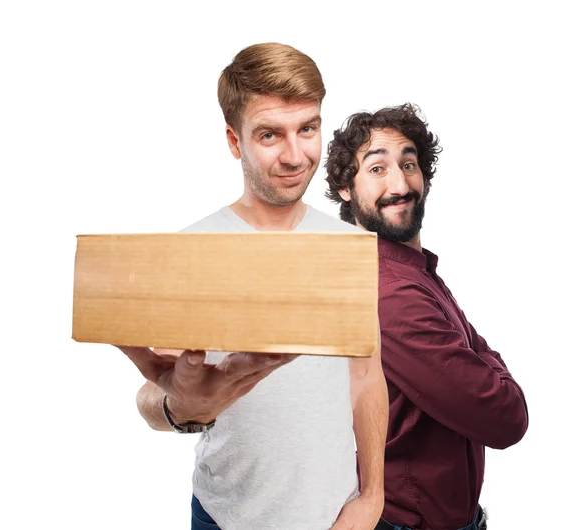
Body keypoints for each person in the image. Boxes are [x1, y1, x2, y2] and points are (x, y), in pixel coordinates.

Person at [118, 43, 388, 530]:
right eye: (270, 134)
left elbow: (367, 379)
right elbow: (153, 394)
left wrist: (372, 497)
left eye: (308, 128)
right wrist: (180, 409)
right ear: (234, 140)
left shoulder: (349, 247)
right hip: (225, 517)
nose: (295, 155)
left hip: (338, 516)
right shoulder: (193, 250)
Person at [325, 104, 529, 530]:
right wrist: (485, 358)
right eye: (377, 168)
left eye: (409, 164)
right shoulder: (391, 293)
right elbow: (506, 418)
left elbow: (477, 362)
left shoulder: (412, 272)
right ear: (347, 188)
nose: (400, 184)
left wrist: (477, 353)